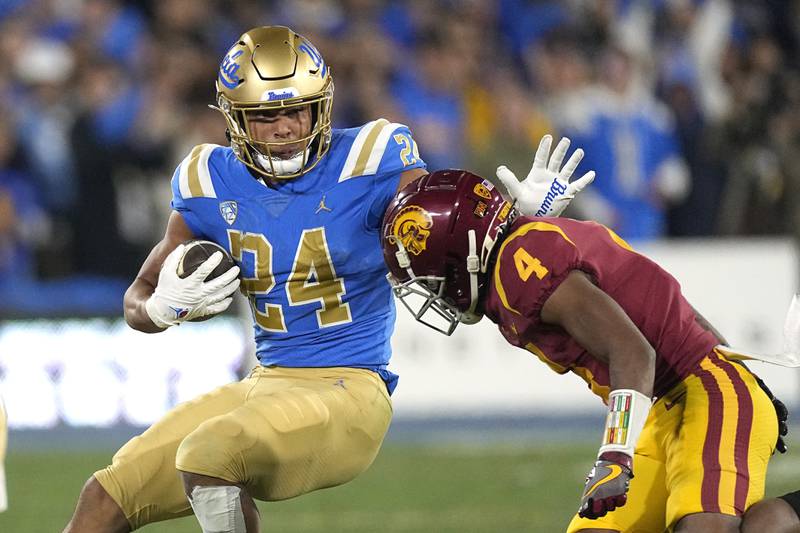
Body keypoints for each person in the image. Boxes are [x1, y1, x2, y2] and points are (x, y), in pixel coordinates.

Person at [63, 26, 593, 533]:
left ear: (322, 106)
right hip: (266, 384)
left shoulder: (371, 159)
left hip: (350, 388)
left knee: (208, 454)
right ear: (233, 119)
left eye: (297, 110)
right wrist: (158, 310)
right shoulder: (207, 180)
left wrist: (516, 225)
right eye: (265, 117)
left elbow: (452, 236)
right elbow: (138, 298)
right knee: (104, 497)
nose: (286, 127)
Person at [380, 169, 794, 532]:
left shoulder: (519, 264)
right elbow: (660, 306)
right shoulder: (518, 254)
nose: (436, 295)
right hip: (670, 406)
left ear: (462, 256)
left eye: (431, 279)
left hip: (705, 391)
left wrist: (615, 455)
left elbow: (633, 352)